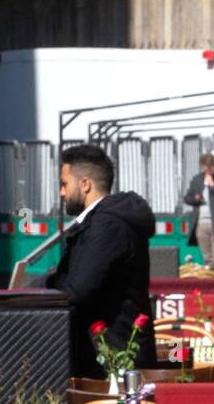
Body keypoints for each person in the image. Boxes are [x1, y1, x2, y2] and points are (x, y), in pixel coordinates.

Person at [45, 144, 157, 379]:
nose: (62, 193)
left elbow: (78, 289)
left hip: (114, 359)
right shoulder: (101, 222)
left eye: (64, 184)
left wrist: (37, 291)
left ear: (85, 184)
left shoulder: (108, 225)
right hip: (107, 355)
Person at [184, 153, 214, 274]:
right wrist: (196, 198)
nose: (208, 171)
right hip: (201, 223)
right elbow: (187, 198)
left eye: (210, 168)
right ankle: (210, 279)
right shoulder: (197, 179)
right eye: (205, 168)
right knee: (207, 257)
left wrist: (213, 185)